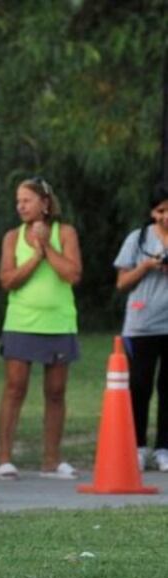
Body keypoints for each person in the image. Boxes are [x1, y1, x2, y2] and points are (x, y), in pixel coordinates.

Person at [0, 177, 82, 481]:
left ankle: (51, 460)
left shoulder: (65, 232)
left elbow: (72, 273)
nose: (20, 206)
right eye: (18, 201)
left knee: (56, 391)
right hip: (21, 321)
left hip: (59, 322)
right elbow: (7, 280)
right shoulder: (12, 237)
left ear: (44, 203)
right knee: (15, 388)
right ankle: (5, 458)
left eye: (27, 200)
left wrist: (46, 246)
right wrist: (35, 256)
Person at [114, 182, 168, 472]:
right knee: (139, 385)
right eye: (161, 210)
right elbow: (122, 283)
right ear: (152, 212)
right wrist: (146, 266)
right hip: (142, 324)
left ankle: (164, 447)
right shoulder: (138, 239)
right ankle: (137, 446)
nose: (166, 217)